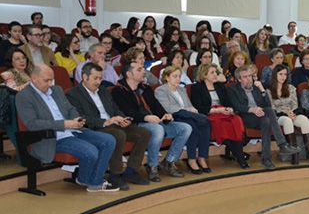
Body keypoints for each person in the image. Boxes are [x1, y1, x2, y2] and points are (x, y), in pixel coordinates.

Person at [16, 64, 119, 192]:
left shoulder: (57, 90)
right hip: (52, 137)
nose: (50, 84)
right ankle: (92, 181)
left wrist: (76, 120)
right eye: (46, 80)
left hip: (73, 130)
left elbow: (71, 109)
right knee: (91, 151)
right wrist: (64, 124)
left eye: (51, 80)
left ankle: (91, 180)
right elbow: (32, 124)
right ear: (34, 78)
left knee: (109, 140)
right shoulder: (24, 96)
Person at [66, 62, 151, 190]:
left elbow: (115, 109)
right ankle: (115, 174)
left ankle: (131, 170)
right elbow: (81, 118)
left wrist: (122, 118)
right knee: (118, 134)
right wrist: (106, 122)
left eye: (100, 78)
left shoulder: (104, 91)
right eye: (95, 78)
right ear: (84, 77)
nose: (98, 81)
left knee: (144, 133)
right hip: (96, 127)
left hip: (113, 124)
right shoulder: (73, 94)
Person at [112, 62, 192, 181]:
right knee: (158, 129)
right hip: (137, 123)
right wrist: (146, 118)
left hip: (155, 121)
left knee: (185, 128)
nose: (143, 72)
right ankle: (152, 165)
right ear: (129, 74)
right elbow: (127, 112)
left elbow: (155, 105)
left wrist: (164, 114)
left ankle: (169, 161)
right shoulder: (119, 91)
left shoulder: (145, 88)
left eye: (143, 69)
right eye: (139, 69)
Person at [228, 64, 301, 169]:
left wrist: (262, 90)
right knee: (267, 116)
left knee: (266, 119)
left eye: (250, 76)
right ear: (239, 79)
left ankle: (267, 158)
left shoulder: (256, 87)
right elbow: (236, 106)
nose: (249, 79)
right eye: (245, 77)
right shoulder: (233, 89)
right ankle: (282, 145)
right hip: (245, 117)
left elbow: (267, 105)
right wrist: (252, 109)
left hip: (261, 115)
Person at [189, 63, 249, 170]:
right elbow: (199, 108)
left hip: (223, 112)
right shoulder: (197, 88)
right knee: (225, 125)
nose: (215, 75)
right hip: (209, 114)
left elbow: (228, 102)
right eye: (212, 72)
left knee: (236, 120)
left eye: (216, 72)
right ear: (204, 75)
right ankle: (240, 157)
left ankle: (237, 152)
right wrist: (217, 110)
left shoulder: (219, 86)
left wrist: (229, 109)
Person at [267, 64, 309, 163]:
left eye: (285, 74)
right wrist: (286, 113)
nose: (283, 77)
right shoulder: (269, 90)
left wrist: (292, 112)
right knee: (287, 121)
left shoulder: (291, 88)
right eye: (280, 74)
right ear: (275, 75)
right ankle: (294, 155)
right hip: (278, 115)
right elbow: (272, 108)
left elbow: (295, 104)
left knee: (305, 120)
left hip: (292, 113)